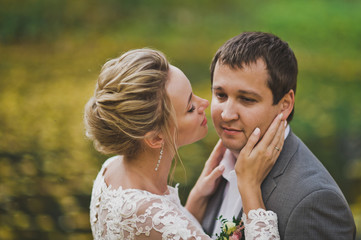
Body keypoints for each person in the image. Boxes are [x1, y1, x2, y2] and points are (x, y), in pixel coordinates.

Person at [84, 48, 286, 239]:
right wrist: (250, 188)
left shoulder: (109, 170)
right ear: (155, 138)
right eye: (190, 107)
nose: (204, 104)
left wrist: (195, 201)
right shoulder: (147, 214)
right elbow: (159, 226)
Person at [202, 32, 356, 239]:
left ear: (285, 105)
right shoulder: (216, 168)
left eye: (246, 99)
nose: (227, 114)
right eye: (220, 95)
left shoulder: (315, 201)